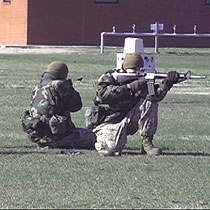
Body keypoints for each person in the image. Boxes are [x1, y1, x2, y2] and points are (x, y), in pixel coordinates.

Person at [89, 53, 179, 156]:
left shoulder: (144, 79)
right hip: (108, 121)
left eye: (138, 68)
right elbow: (103, 95)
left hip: (129, 118)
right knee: (110, 150)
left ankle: (146, 144)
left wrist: (167, 84)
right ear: (125, 67)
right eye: (133, 69)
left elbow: (154, 96)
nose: (136, 71)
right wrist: (130, 87)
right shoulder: (110, 77)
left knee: (150, 102)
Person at [21, 61, 96, 149]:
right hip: (58, 137)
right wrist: (69, 87)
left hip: (38, 136)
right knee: (94, 136)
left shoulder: (38, 87)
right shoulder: (59, 85)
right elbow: (76, 106)